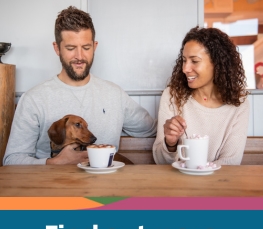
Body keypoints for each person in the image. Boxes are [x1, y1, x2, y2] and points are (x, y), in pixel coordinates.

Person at [3, 6, 156, 165]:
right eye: (70, 48)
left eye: (86, 47)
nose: (79, 56)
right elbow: (12, 160)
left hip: (107, 187)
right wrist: (53, 163)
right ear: (57, 48)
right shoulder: (33, 99)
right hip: (53, 188)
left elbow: (153, 129)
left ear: (95, 47)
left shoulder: (115, 95)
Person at [153, 26, 249, 165]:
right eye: (184, 60)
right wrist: (170, 144)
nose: (185, 69)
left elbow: (231, 161)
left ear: (217, 63)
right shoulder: (172, 95)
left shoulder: (239, 102)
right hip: (177, 183)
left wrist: (200, 177)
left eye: (195, 61)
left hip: (219, 184)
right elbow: (161, 162)